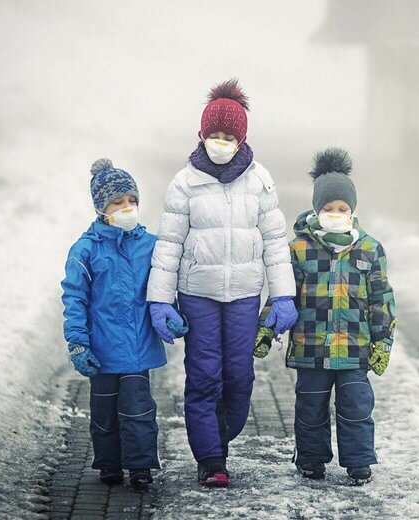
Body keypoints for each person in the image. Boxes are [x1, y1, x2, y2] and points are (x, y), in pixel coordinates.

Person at [147, 79, 298, 487]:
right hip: (198, 294)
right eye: (214, 134)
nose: (220, 141)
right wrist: (160, 302)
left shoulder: (260, 181)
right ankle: (211, 458)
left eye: (228, 135)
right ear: (201, 134)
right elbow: (169, 245)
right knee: (204, 375)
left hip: (245, 295)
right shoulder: (185, 183)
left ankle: (220, 434)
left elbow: (275, 243)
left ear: (241, 138)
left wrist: (283, 294)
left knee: (239, 376)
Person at [258, 148, 396, 484]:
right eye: (328, 208)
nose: (335, 213)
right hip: (311, 349)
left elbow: (381, 299)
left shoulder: (369, 249)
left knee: (356, 408)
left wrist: (383, 341)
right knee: (310, 409)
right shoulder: (299, 249)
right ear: (317, 209)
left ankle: (359, 461)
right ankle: (310, 459)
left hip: (354, 349)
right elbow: (282, 293)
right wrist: (265, 327)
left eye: (342, 209)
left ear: (352, 210)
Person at [61, 158, 169, 491]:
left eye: (132, 201)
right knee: (104, 411)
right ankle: (109, 464)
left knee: (138, 410)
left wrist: (172, 312)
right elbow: (74, 298)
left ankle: (140, 466)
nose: (127, 208)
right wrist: (78, 342)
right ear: (102, 208)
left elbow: (164, 285)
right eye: (118, 202)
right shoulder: (86, 250)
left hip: (138, 346)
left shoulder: (150, 245)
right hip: (103, 349)